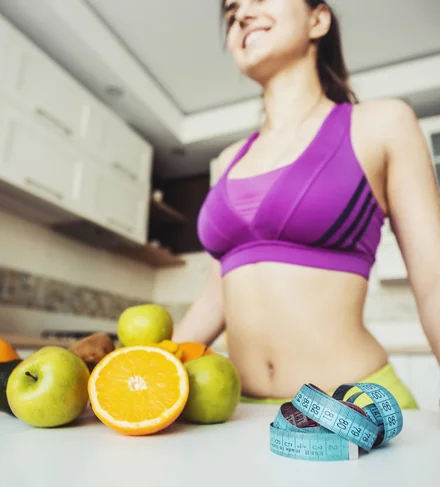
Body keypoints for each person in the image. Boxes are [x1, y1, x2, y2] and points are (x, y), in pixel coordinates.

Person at [173, 0, 440, 410]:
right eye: (231, 11)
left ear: (318, 19)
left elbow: (434, 284)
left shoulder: (382, 124)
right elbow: (220, 290)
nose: (240, 14)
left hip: (354, 409)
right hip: (240, 413)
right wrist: (151, 366)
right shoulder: (228, 161)